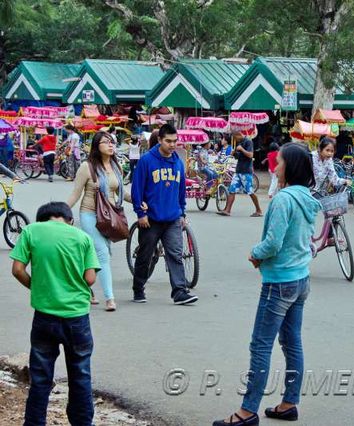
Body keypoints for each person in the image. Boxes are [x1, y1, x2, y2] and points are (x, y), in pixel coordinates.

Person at [212, 143, 321, 426]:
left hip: (279, 282)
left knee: (261, 345)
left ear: (291, 167)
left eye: (280, 161)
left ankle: (248, 411)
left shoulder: (284, 199)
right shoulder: (306, 197)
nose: (275, 165)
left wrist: (255, 253)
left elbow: (273, 243)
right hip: (300, 279)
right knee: (292, 343)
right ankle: (289, 403)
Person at [10, 201, 100, 426]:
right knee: (80, 376)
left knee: (40, 378)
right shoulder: (82, 238)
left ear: (42, 219)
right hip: (77, 319)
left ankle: (34, 423)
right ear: (69, 220)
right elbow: (90, 278)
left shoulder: (31, 231)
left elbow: (17, 270)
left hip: (44, 318)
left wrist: (37, 287)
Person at [131, 124, 198, 305]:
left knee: (175, 255)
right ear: (159, 140)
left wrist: (182, 213)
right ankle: (138, 288)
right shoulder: (146, 161)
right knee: (145, 256)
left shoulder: (178, 162)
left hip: (173, 218)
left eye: (175, 141)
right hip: (151, 219)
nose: (172, 144)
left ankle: (179, 292)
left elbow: (181, 190)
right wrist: (140, 212)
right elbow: (137, 188)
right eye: (168, 141)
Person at [67, 131, 131, 312]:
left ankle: (84, 286)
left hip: (110, 216)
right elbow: (75, 194)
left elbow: (121, 193)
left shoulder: (116, 167)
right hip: (90, 214)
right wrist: (61, 211)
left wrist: (140, 200)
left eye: (112, 142)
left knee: (97, 256)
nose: (111, 145)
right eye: (106, 142)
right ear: (96, 146)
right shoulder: (87, 167)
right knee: (102, 253)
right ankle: (110, 298)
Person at [216, 131, 262, 217]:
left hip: (246, 171)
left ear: (238, 135)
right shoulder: (239, 143)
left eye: (235, 137)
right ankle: (227, 210)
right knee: (231, 190)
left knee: (250, 191)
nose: (234, 139)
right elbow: (240, 156)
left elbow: (250, 155)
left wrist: (241, 149)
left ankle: (258, 210)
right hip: (238, 170)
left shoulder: (248, 142)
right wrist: (234, 154)